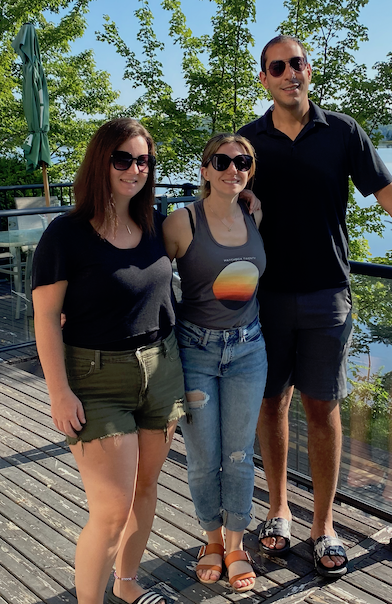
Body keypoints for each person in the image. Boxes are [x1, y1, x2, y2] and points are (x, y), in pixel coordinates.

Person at [238, 35, 392, 578]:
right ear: (264, 78)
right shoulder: (249, 142)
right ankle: (278, 511)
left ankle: (323, 524)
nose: (290, 73)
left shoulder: (343, 133)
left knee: (321, 407)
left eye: (297, 63)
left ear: (310, 70)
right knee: (270, 404)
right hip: (267, 297)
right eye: (277, 66)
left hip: (329, 295)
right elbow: (219, 206)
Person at [31, 118, 184, 604]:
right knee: (112, 508)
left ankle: (127, 583)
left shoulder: (156, 223)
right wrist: (59, 391)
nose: (135, 169)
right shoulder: (66, 235)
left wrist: (248, 201)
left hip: (161, 372)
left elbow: (217, 224)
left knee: (144, 490)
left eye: (143, 160)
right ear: (102, 161)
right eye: (123, 158)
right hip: (95, 378)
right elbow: (46, 318)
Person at [163, 134, 266, 593]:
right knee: (204, 459)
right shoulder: (181, 222)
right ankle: (210, 540)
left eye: (242, 162)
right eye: (221, 161)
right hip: (196, 352)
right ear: (205, 169)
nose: (232, 169)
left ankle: (237, 542)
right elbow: (146, 278)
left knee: (240, 455)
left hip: (249, 349)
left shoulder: (254, 214)